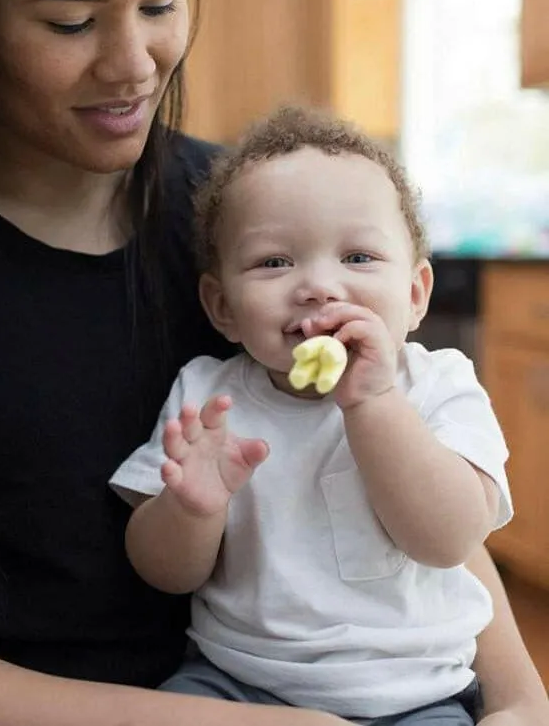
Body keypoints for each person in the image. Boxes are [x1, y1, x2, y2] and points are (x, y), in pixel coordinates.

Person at [0, 0, 547, 725]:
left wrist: (518, 698)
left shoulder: (245, 220)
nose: (135, 64)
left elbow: (399, 501)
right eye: (71, 22)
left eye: (160, 2)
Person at [110, 106, 515, 725]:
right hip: (235, 683)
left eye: (358, 258)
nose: (320, 287)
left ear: (415, 295)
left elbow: (450, 540)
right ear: (221, 307)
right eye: (275, 262)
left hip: (413, 694)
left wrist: (374, 402)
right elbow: (164, 574)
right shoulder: (209, 394)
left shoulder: (439, 385)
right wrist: (191, 508)